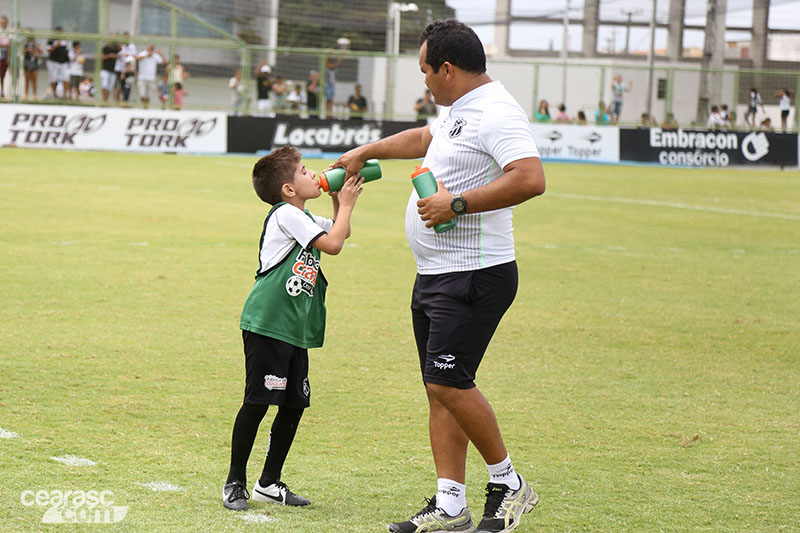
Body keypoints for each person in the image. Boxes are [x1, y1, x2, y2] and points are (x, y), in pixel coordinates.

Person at [334, 19, 544, 533]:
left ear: (448, 69)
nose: (424, 79)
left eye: (426, 70)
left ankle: (510, 483)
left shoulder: (497, 112)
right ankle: (451, 504)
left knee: (449, 382)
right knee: (438, 387)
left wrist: (456, 203)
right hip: (435, 273)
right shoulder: (458, 108)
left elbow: (531, 178)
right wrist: (368, 151)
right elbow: (426, 138)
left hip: (476, 274)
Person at [222, 146, 364, 512]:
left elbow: (339, 235)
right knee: (257, 402)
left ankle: (268, 483)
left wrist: (338, 204)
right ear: (288, 189)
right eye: (303, 171)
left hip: (293, 327)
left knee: (294, 403)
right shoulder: (286, 214)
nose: (312, 174)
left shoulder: (304, 216)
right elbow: (331, 246)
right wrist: (346, 204)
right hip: (268, 322)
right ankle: (234, 481)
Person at [47, 28, 70, 99]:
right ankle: (54, 94)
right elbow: (49, 50)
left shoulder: (65, 40)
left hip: (64, 63)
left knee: (65, 78)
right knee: (54, 79)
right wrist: (56, 46)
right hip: (54, 62)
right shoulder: (51, 40)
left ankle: (65, 94)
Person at [114, 33, 136, 102]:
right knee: (118, 86)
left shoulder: (132, 46)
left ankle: (125, 102)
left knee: (127, 86)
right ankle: (117, 102)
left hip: (128, 70)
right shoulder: (120, 46)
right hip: (119, 69)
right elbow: (117, 55)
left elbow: (134, 56)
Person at [23, 30, 42, 100]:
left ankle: (35, 94)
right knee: (27, 79)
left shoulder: (36, 43)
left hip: (34, 61)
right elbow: (21, 50)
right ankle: (26, 93)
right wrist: (28, 50)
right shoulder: (24, 42)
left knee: (34, 79)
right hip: (27, 61)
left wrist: (36, 49)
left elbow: (41, 51)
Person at [324, 50, 344, 115]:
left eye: (332, 64)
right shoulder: (327, 69)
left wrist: (341, 55)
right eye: (330, 64)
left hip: (332, 85)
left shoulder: (334, 69)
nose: (331, 65)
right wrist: (329, 53)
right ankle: (327, 112)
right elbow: (326, 61)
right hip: (328, 85)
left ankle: (330, 112)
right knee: (328, 99)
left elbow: (338, 63)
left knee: (331, 99)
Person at [0, 15, 9, 98]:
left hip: (5, 57)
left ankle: (2, 91)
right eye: (2, 22)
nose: (3, 23)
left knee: (2, 75)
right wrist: (5, 45)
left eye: (4, 22)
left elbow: (10, 46)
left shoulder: (9, 32)